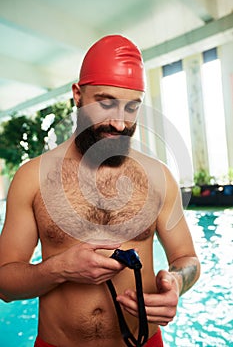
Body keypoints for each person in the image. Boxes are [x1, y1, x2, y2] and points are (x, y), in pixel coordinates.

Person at [0, 35, 200, 347]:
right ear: (78, 95)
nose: (120, 124)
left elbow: (187, 258)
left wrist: (175, 281)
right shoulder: (32, 179)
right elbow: (5, 284)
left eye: (131, 107)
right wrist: (58, 269)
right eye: (106, 103)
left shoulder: (159, 177)